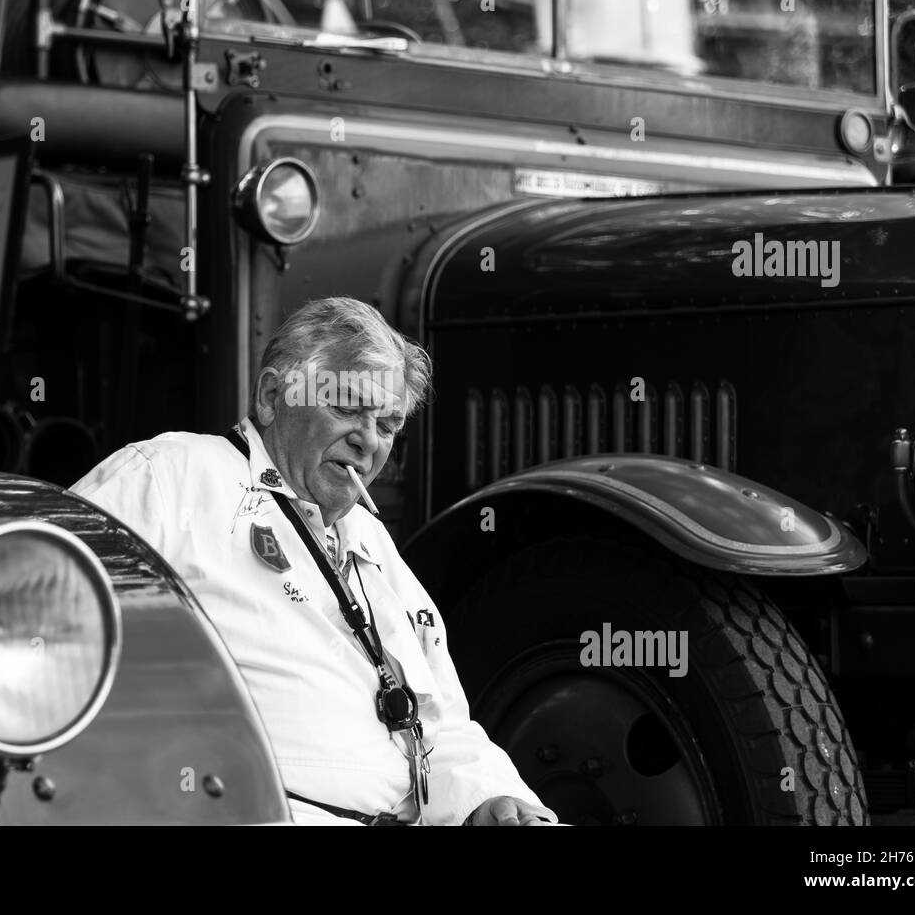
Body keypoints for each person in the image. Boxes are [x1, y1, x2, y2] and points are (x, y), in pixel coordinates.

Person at [71, 297, 558, 826]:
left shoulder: (369, 537)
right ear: (271, 397)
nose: (369, 442)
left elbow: (436, 725)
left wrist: (491, 799)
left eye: (388, 424)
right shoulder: (168, 476)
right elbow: (38, 625)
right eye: (347, 407)